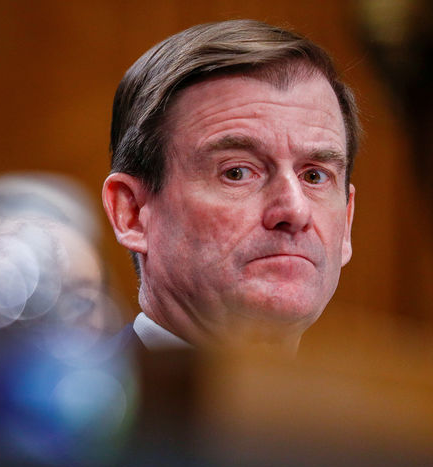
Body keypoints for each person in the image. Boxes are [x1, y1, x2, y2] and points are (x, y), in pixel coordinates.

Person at [102, 20, 358, 355]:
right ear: (132, 214)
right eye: (237, 172)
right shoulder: (67, 405)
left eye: (314, 176)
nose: (295, 211)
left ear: (347, 224)